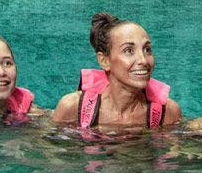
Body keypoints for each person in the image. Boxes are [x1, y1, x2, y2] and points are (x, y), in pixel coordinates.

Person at [52, 12, 182, 129]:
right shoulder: (73, 108)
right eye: (129, 51)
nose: (143, 60)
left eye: (147, 50)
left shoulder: (167, 113)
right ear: (104, 61)